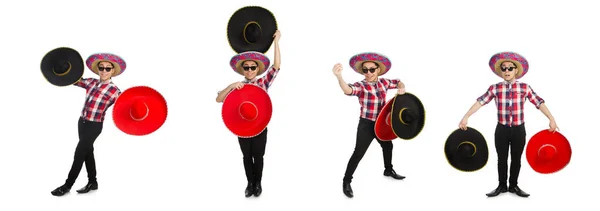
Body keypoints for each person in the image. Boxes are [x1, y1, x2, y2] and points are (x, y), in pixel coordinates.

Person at [458, 51, 558, 198]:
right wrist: (465, 117)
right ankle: (502, 186)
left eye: (510, 68)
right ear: (501, 72)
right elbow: (480, 102)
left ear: (516, 70)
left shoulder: (524, 87)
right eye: (503, 68)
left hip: (519, 129)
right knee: (502, 158)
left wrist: (551, 118)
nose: (506, 71)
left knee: (516, 158)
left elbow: (539, 102)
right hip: (501, 129)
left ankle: (514, 186)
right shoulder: (495, 88)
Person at [216, 30, 281, 197]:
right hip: (242, 127)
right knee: (246, 156)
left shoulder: (262, 83)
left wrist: (277, 42)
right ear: (242, 70)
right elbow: (219, 99)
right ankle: (249, 183)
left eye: (253, 67)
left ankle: (258, 183)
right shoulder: (238, 87)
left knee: (258, 156)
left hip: (259, 126)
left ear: (257, 69)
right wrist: (231, 86)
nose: (250, 70)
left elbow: (276, 67)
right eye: (247, 67)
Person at [332, 52, 406, 198]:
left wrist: (401, 87)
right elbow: (348, 89)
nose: (368, 73)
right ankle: (346, 181)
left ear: (378, 70)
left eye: (372, 69)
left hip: (382, 124)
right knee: (358, 153)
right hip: (366, 125)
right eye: (365, 70)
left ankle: (388, 170)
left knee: (388, 145)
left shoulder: (384, 82)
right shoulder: (361, 86)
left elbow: (398, 82)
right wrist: (339, 77)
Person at [50, 53, 125, 196]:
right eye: (101, 67)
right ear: (97, 69)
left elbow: (124, 107)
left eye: (107, 68)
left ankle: (67, 185)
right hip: (82, 122)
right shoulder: (90, 82)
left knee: (79, 153)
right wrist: (63, 67)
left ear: (112, 71)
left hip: (94, 126)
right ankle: (93, 182)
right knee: (87, 152)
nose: (104, 71)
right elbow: (73, 80)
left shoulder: (115, 91)